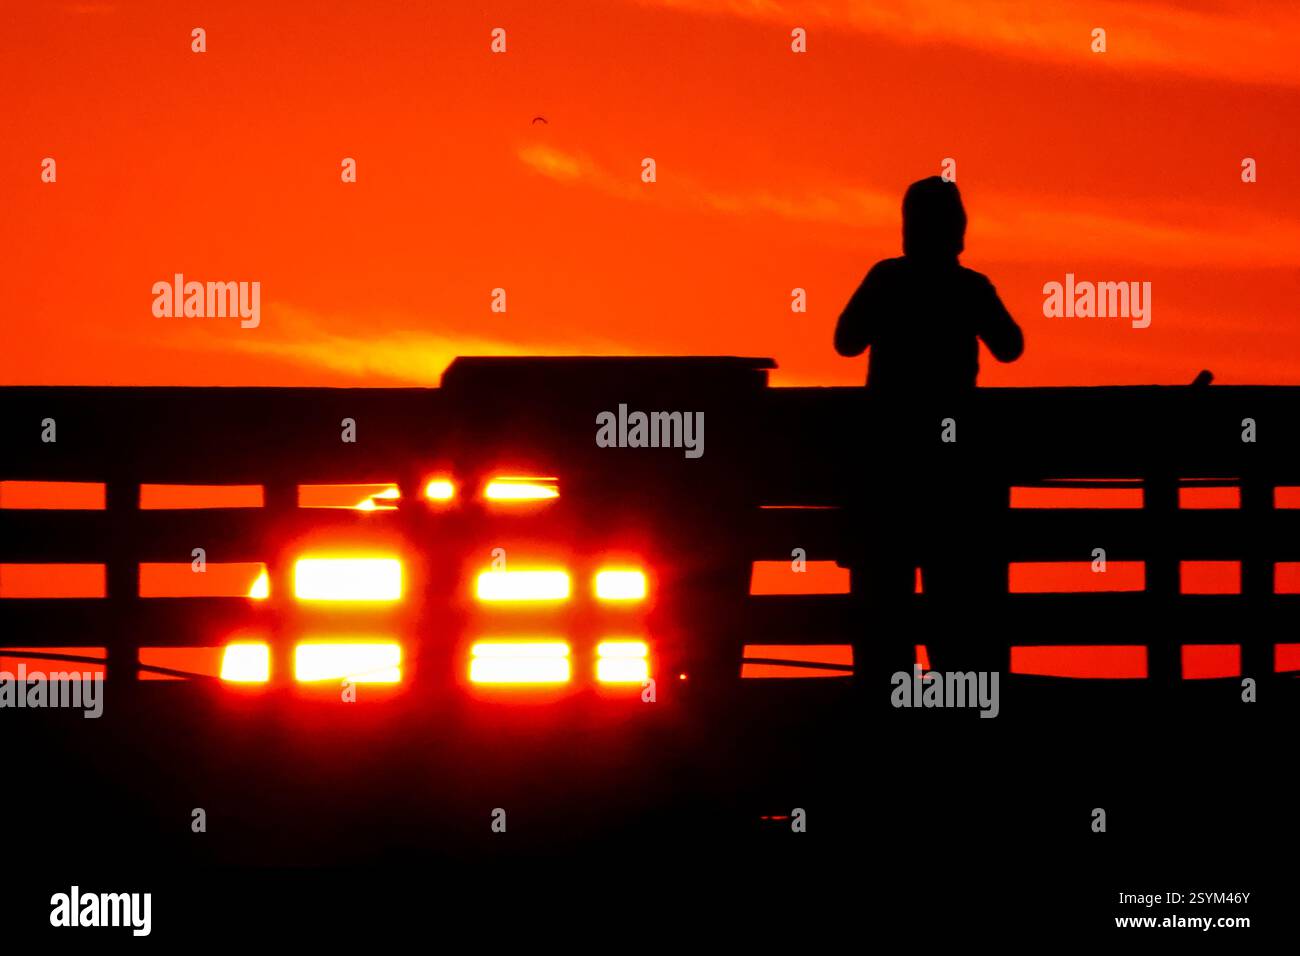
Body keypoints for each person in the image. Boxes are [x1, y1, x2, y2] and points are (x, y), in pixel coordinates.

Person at [834, 177, 1023, 686]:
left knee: (884, 605)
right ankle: (952, 711)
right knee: (953, 605)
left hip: (888, 473)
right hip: (953, 477)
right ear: (958, 232)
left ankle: (885, 708)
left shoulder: (886, 279)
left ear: (907, 230)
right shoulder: (971, 289)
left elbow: (845, 341)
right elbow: (1010, 346)